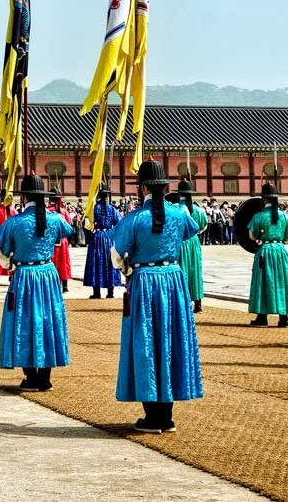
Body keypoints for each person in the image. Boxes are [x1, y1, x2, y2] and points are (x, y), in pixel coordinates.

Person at [110, 159, 203, 434]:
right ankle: (167, 415)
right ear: (164, 187)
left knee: (146, 342)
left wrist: (127, 267)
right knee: (172, 341)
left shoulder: (134, 219)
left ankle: (152, 416)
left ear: (141, 188)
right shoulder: (179, 213)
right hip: (174, 280)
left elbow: (116, 255)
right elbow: (193, 230)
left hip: (145, 281)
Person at [0, 174, 73, 392]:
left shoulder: (14, 223)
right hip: (48, 274)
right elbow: (67, 234)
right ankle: (45, 377)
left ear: (24, 196)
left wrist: (12, 265)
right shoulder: (56, 219)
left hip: (25, 275)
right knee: (49, 320)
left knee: (25, 321)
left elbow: (3, 255)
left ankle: (31, 376)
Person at [248, 184, 288, 327]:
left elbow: (252, 236)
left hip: (265, 250)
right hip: (281, 251)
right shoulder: (284, 216)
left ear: (264, 199)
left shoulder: (258, 216)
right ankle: (283, 318)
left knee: (264, 282)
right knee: (283, 281)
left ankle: (262, 317)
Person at [174, 180, 208, 313]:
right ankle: (198, 302)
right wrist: (197, 232)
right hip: (194, 242)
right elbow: (204, 226)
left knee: (182, 270)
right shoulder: (199, 210)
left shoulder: (176, 209)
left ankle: (183, 302)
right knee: (195, 270)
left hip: (180, 241)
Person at [84, 188, 122, 299]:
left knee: (96, 262)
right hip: (109, 237)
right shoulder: (113, 209)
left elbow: (87, 225)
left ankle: (96, 292)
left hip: (97, 237)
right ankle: (110, 292)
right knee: (110, 262)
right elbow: (119, 223)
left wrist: (89, 236)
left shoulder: (94, 208)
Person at [49, 190, 72, 294]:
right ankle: (65, 286)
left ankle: (53, 285)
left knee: (53, 263)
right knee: (64, 262)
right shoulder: (64, 211)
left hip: (51, 241)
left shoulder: (47, 211)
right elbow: (69, 227)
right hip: (63, 241)